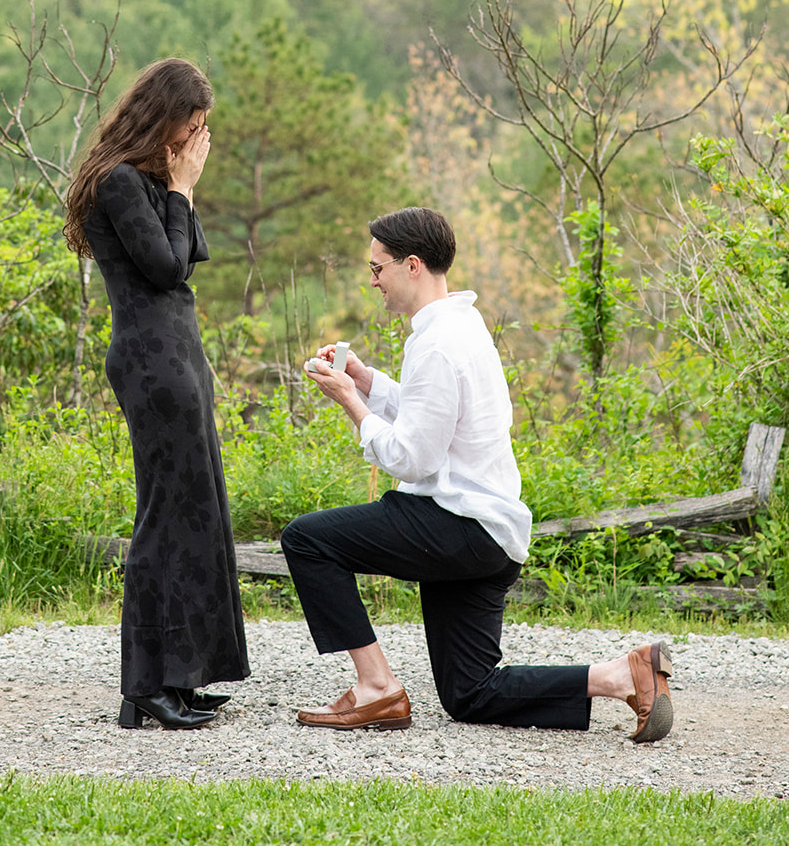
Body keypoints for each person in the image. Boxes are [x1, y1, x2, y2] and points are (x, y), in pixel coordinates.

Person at [281, 206, 673, 742]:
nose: (373, 280)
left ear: (412, 265)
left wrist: (350, 401)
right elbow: (433, 417)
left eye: (378, 268)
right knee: (469, 693)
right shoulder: (461, 324)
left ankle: (375, 686)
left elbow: (413, 458)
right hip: (487, 534)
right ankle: (619, 676)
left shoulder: (438, 343)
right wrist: (367, 380)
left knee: (306, 540)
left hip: (456, 526)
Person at [64, 57, 249, 731]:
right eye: (189, 125)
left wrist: (179, 189)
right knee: (164, 518)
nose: (193, 140)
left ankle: (183, 674)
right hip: (150, 360)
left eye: (201, 130)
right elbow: (167, 267)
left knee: (198, 512)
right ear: (158, 116)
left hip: (179, 355)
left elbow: (189, 251)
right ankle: (145, 683)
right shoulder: (117, 183)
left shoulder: (148, 182)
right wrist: (184, 188)